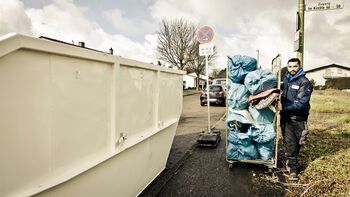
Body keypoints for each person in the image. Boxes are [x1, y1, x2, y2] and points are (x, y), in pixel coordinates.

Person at [280, 58, 313, 181]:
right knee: (290, 143)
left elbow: (302, 103)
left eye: (295, 66)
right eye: (290, 66)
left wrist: (283, 107)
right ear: (287, 67)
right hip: (287, 117)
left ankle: (291, 159)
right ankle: (293, 168)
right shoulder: (286, 79)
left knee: (299, 142)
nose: (292, 69)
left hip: (299, 118)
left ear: (300, 66)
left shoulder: (304, 82)